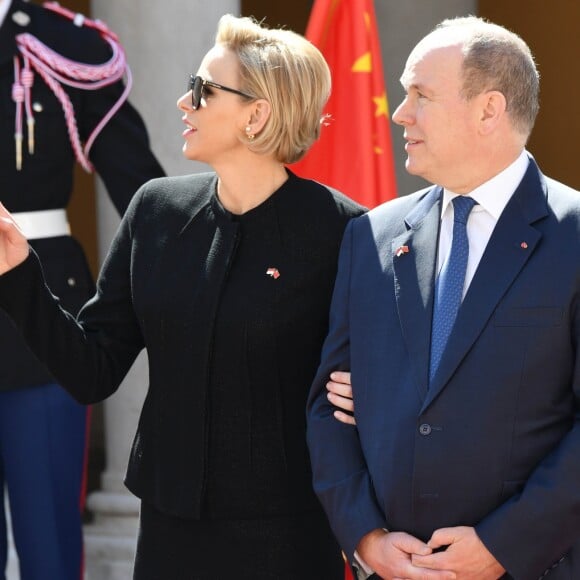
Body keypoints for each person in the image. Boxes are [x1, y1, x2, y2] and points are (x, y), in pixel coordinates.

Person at [0, 12, 365, 579]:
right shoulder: (155, 213)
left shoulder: (344, 231)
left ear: (257, 115)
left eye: (202, 89)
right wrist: (19, 273)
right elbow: (92, 370)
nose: (182, 102)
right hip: (170, 529)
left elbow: (370, 381)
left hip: (288, 535)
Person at [307, 15, 580, 580]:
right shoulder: (372, 236)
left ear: (489, 109)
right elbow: (327, 409)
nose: (399, 113)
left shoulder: (573, 234)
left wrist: (503, 545)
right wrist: (366, 537)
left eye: (421, 95)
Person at [0, 1, 164, 579]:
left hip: (39, 307)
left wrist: (193, 269)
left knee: (48, 530)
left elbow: (138, 184)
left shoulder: (63, 46)